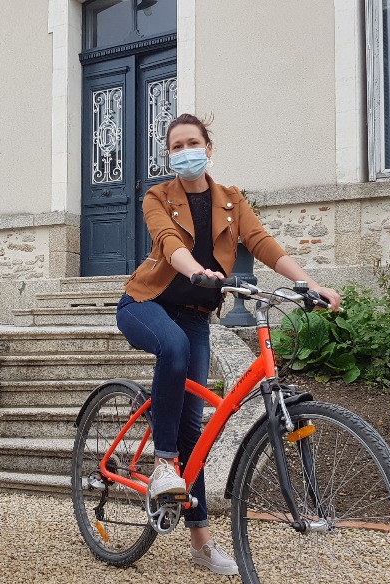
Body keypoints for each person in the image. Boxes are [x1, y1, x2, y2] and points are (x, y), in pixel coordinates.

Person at [116, 113, 342, 576]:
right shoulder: (158, 196)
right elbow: (168, 241)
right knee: (173, 348)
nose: (185, 152)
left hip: (196, 315)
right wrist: (194, 270)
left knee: (194, 430)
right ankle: (163, 464)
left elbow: (262, 243)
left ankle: (200, 542)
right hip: (146, 303)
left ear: (209, 148)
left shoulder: (231, 200)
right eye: (176, 146)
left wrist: (310, 284)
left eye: (192, 143)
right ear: (169, 155)